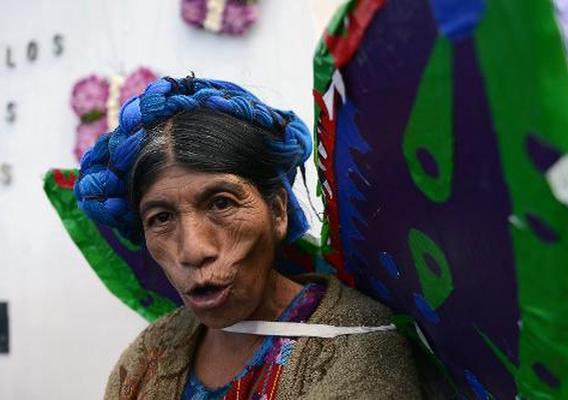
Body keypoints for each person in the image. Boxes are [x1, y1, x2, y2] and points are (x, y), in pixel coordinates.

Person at [74, 76, 421, 399]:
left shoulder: (358, 344)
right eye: (161, 218)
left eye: (222, 203)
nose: (194, 250)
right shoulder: (146, 359)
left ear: (277, 211)